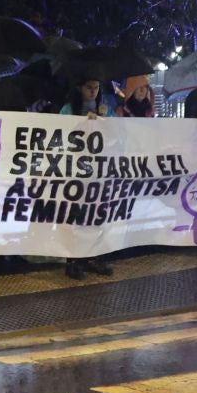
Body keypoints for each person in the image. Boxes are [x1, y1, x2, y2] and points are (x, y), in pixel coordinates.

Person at [58, 76, 117, 279]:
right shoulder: (68, 109)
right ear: (80, 88)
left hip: (98, 171)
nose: (93, 91)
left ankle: (94, 257)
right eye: (89, 87)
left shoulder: (105, 109)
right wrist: (83, 123)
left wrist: (104, 120)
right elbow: (62, 133)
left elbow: (115, 136)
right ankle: (74, 261)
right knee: (76, 216)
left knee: (97, 214)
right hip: (76, 170)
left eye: (96, 87)